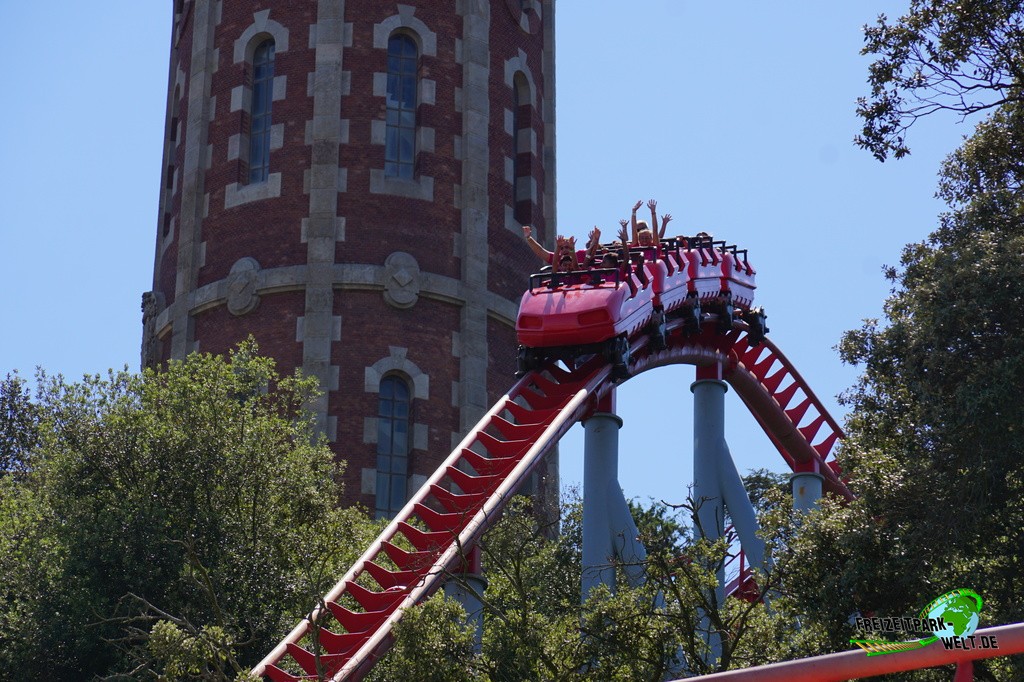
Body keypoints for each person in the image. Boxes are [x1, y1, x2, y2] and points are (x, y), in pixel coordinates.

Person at [522, 225, 601, 272]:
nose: (564, 250)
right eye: (561, 248)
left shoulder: (579, 254)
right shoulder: (557, 257)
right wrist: (529, 238)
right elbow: (540, 251)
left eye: (567, 247)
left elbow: (591, 253)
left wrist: (596, 239)